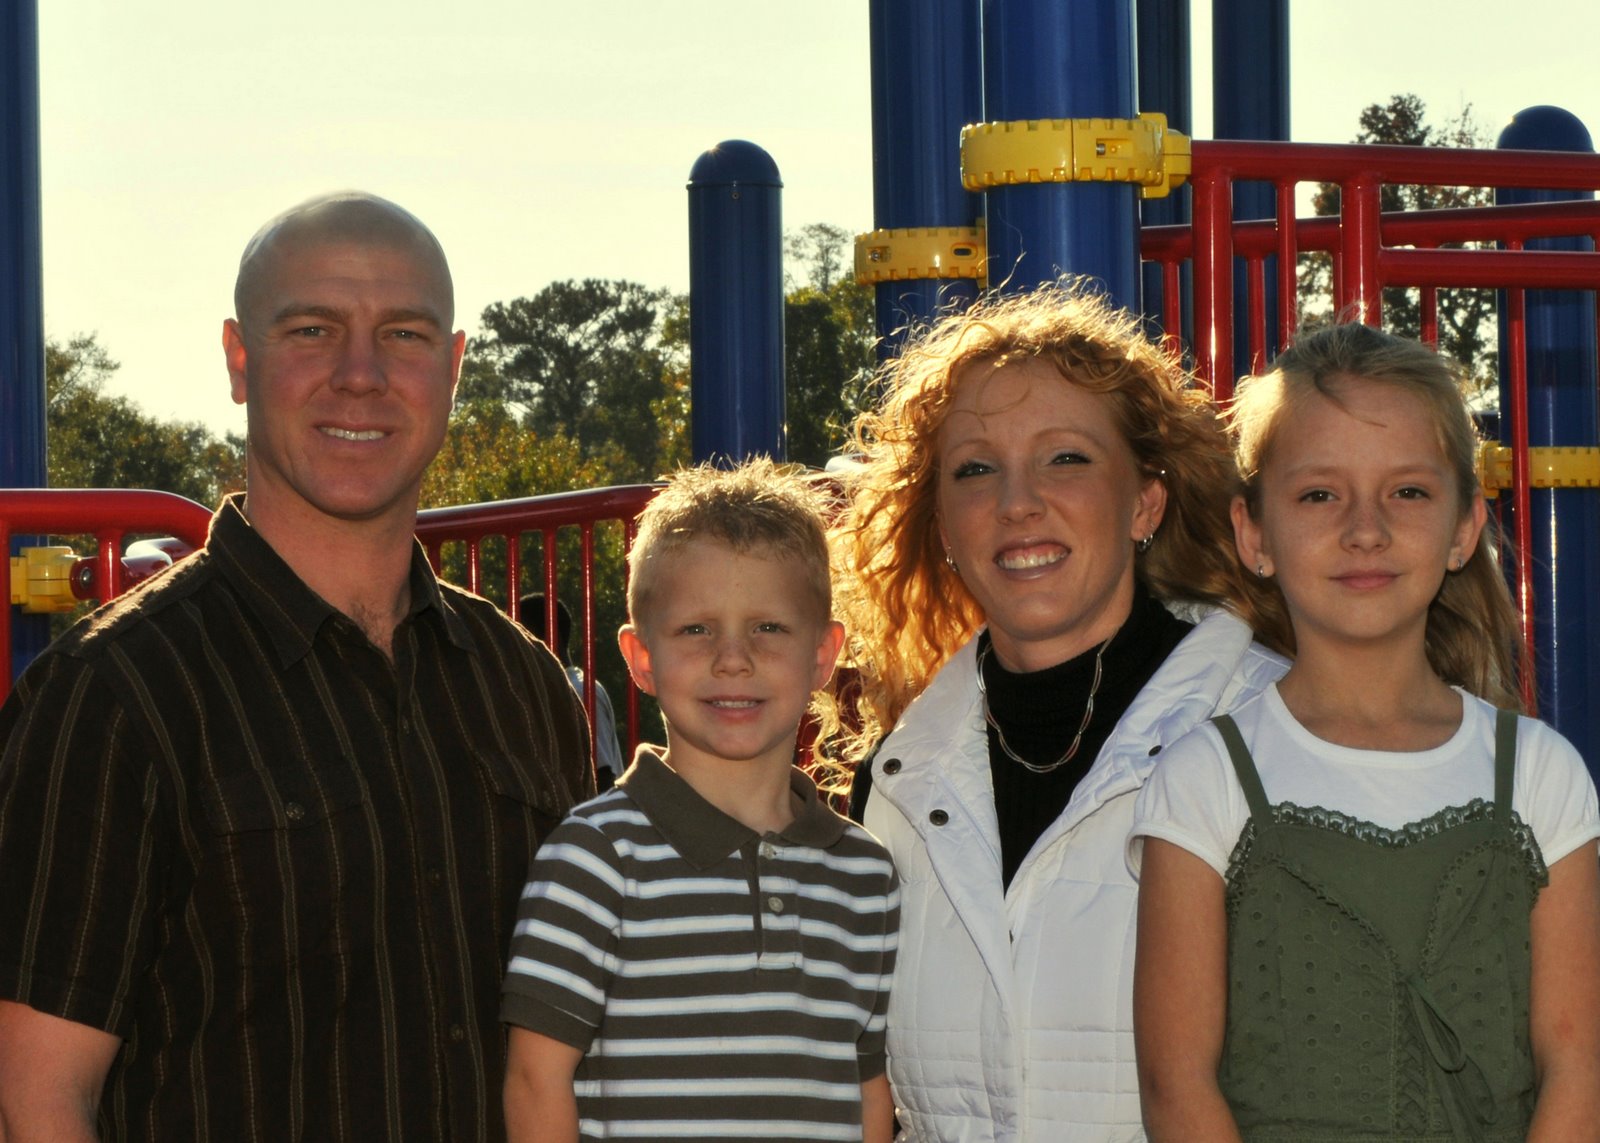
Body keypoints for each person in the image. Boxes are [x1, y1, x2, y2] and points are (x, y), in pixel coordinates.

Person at [0, 191, 595, 1141]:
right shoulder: (114, 694)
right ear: (241, 361)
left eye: (402, 334)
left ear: (452, 370)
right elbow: (33, 1097)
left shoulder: (522, 686)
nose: (359, 375)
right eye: (313, 329)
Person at [830, 281, 1289, 1141]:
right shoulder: (895, 780)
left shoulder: (1270, 731)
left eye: (1066, 458)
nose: (1018, 502)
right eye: (975, 469)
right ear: (942, 525)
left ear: (1146, 502)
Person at [1131, 323, 1600, 1140]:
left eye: (1408, 492)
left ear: (1463, 529)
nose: (1365, 528)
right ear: (1254, 533)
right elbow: (1177, 1085)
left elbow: (1577, 1070)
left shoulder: (1540, 775)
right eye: (1320, 494)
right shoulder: (1203, 778)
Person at [501, 459, 900, 1143]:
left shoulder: (867, 876)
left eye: (769, 627)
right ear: (641, 657)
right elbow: (536, 1080)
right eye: (696, 629)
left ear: (824, 653)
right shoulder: (595, 858)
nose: (733, 658)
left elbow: (867, 1085)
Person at [520, 593, 627, 786]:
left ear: (552, 636)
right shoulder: (563, 690)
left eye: (522, 636)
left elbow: (602, 776)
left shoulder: (578, 692)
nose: (516, 648)